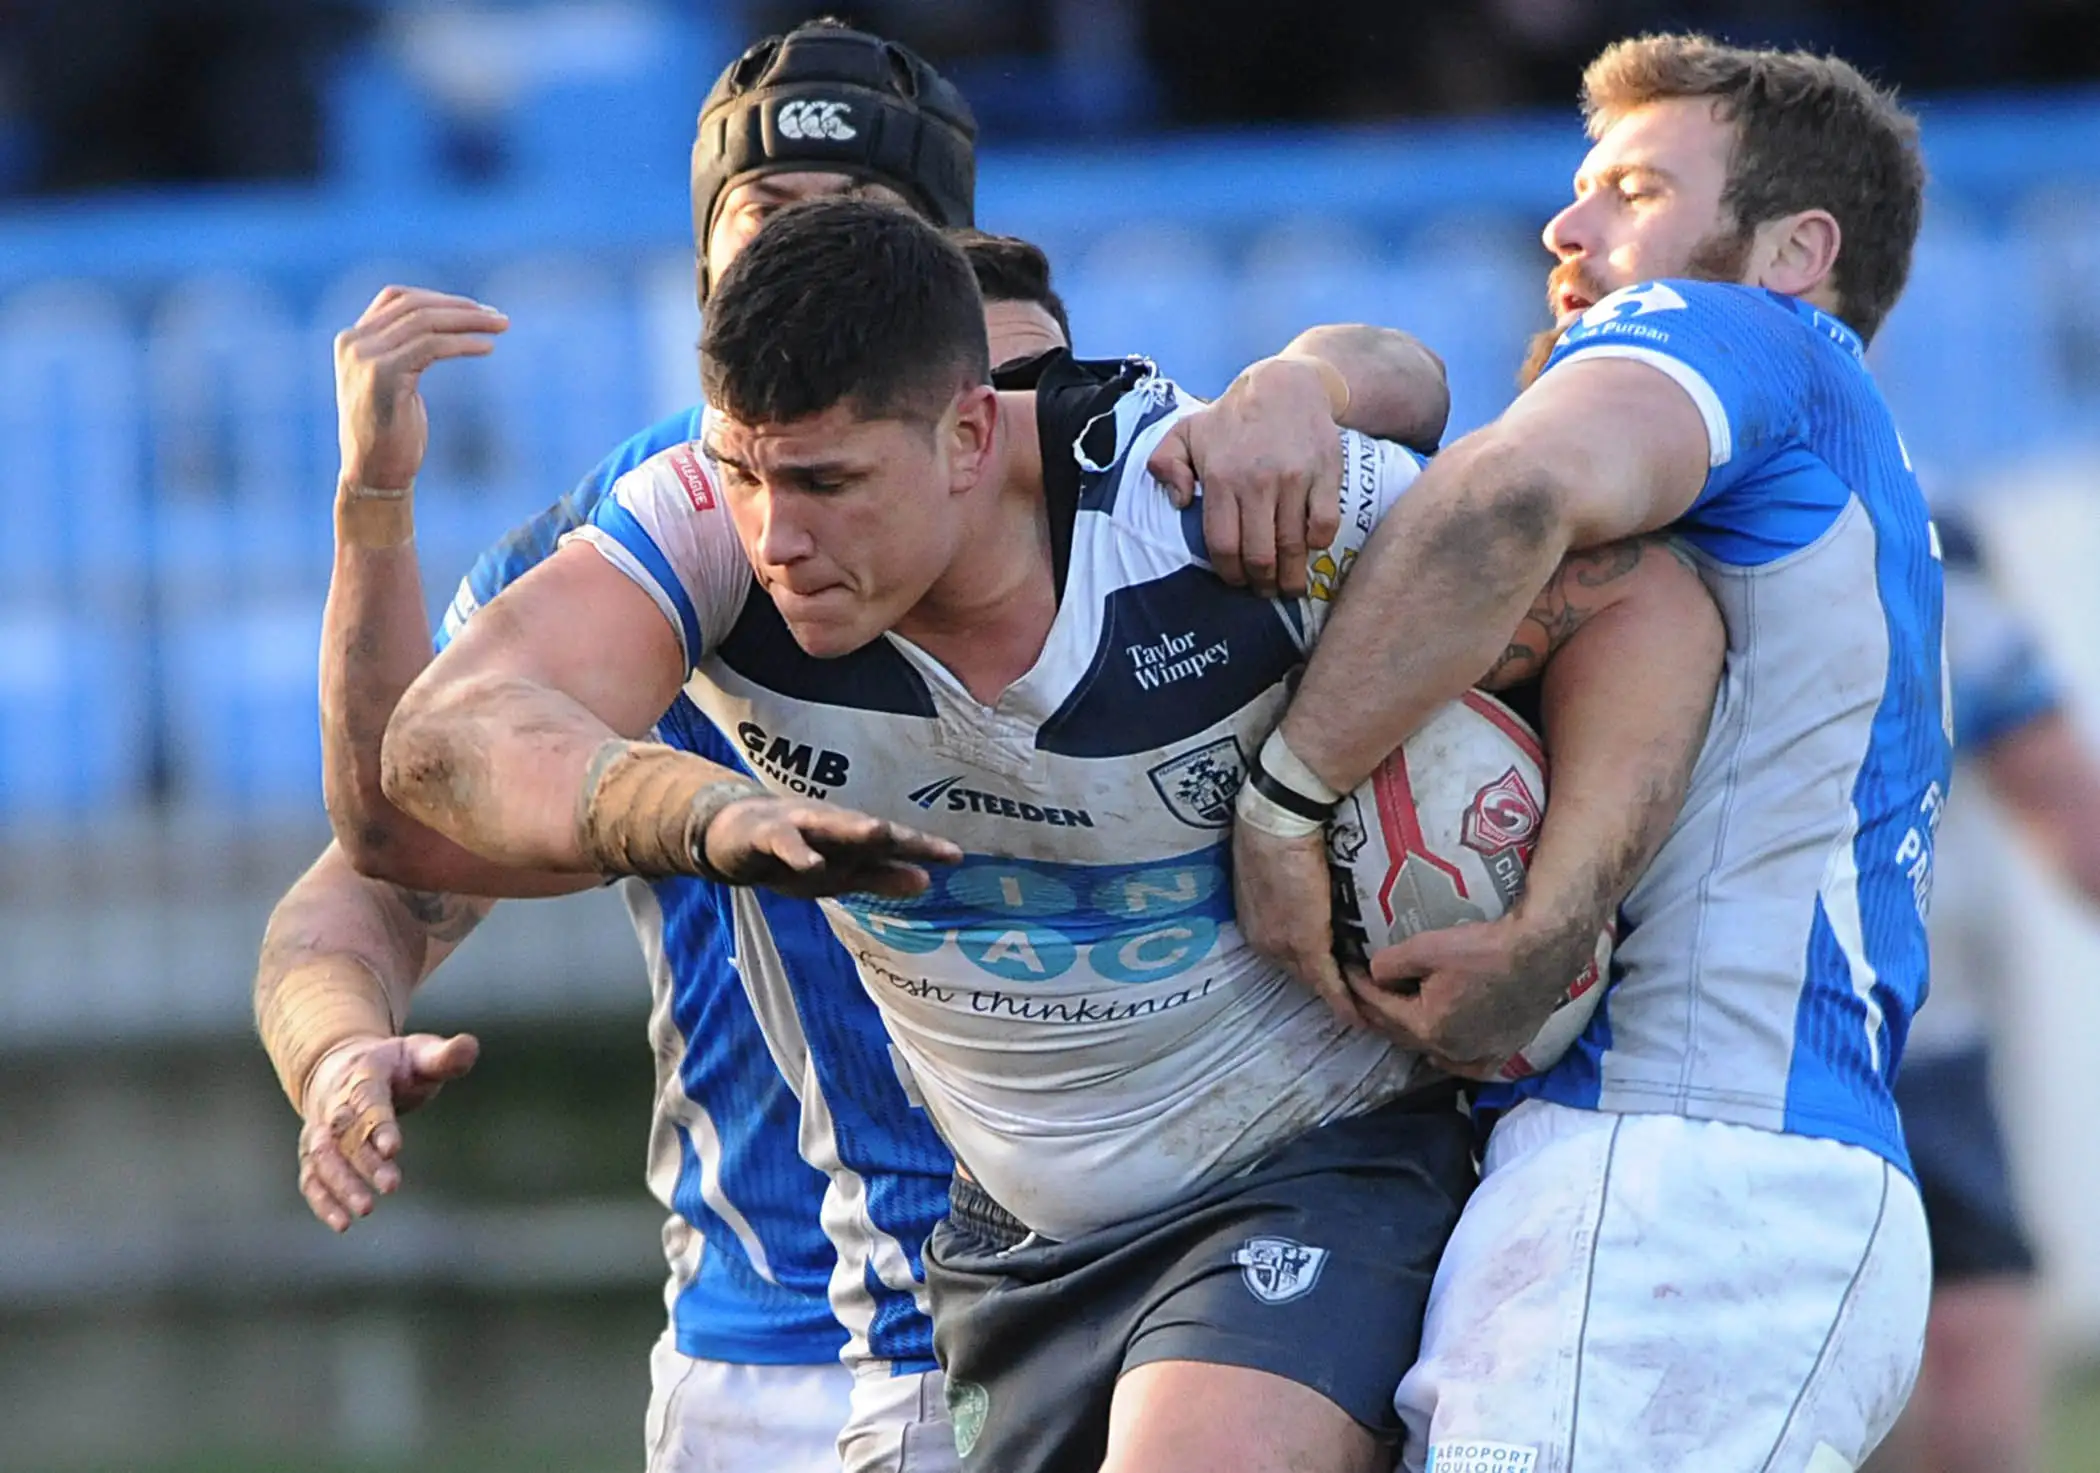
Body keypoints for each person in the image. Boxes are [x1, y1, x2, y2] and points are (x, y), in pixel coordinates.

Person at [258, 23, 1458, 1473]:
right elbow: (388, 859)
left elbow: (1426, 439)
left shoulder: (1123, 482)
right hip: (788, 1325)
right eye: (765, 212)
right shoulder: (657, 541)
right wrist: (338, 1051)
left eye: (857, 215)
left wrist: (1311, 380)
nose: (797, 247)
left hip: (1163, 1242)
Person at [369, 196, 1725, 1473]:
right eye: (745, 472)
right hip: (1013, 1236)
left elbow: (1635, 595)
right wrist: (704, 812)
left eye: (830, 481)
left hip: (1310, 1160)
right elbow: (436, 755)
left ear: (971, 434)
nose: (779, 535)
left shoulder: (1201, 506)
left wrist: (1554, 915)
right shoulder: (702, 531)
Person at [1221, 32, 1945, 1470]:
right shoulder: (1821, 454)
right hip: (1719, 1174)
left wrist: (1284, 803)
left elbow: (1506, 494)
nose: (1568, 226)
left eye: (1636, 189)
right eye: (1580, 186)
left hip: (1687, 1162)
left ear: (1796, 252)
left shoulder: (1746, 334)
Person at [1869, 510, 2100, 1473]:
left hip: (1905, 1041)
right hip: (1841, 1035)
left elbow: (2069, 808)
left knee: (1961, 1345)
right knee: (1947, 1344)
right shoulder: (1913, 538)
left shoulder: (1927, 555)